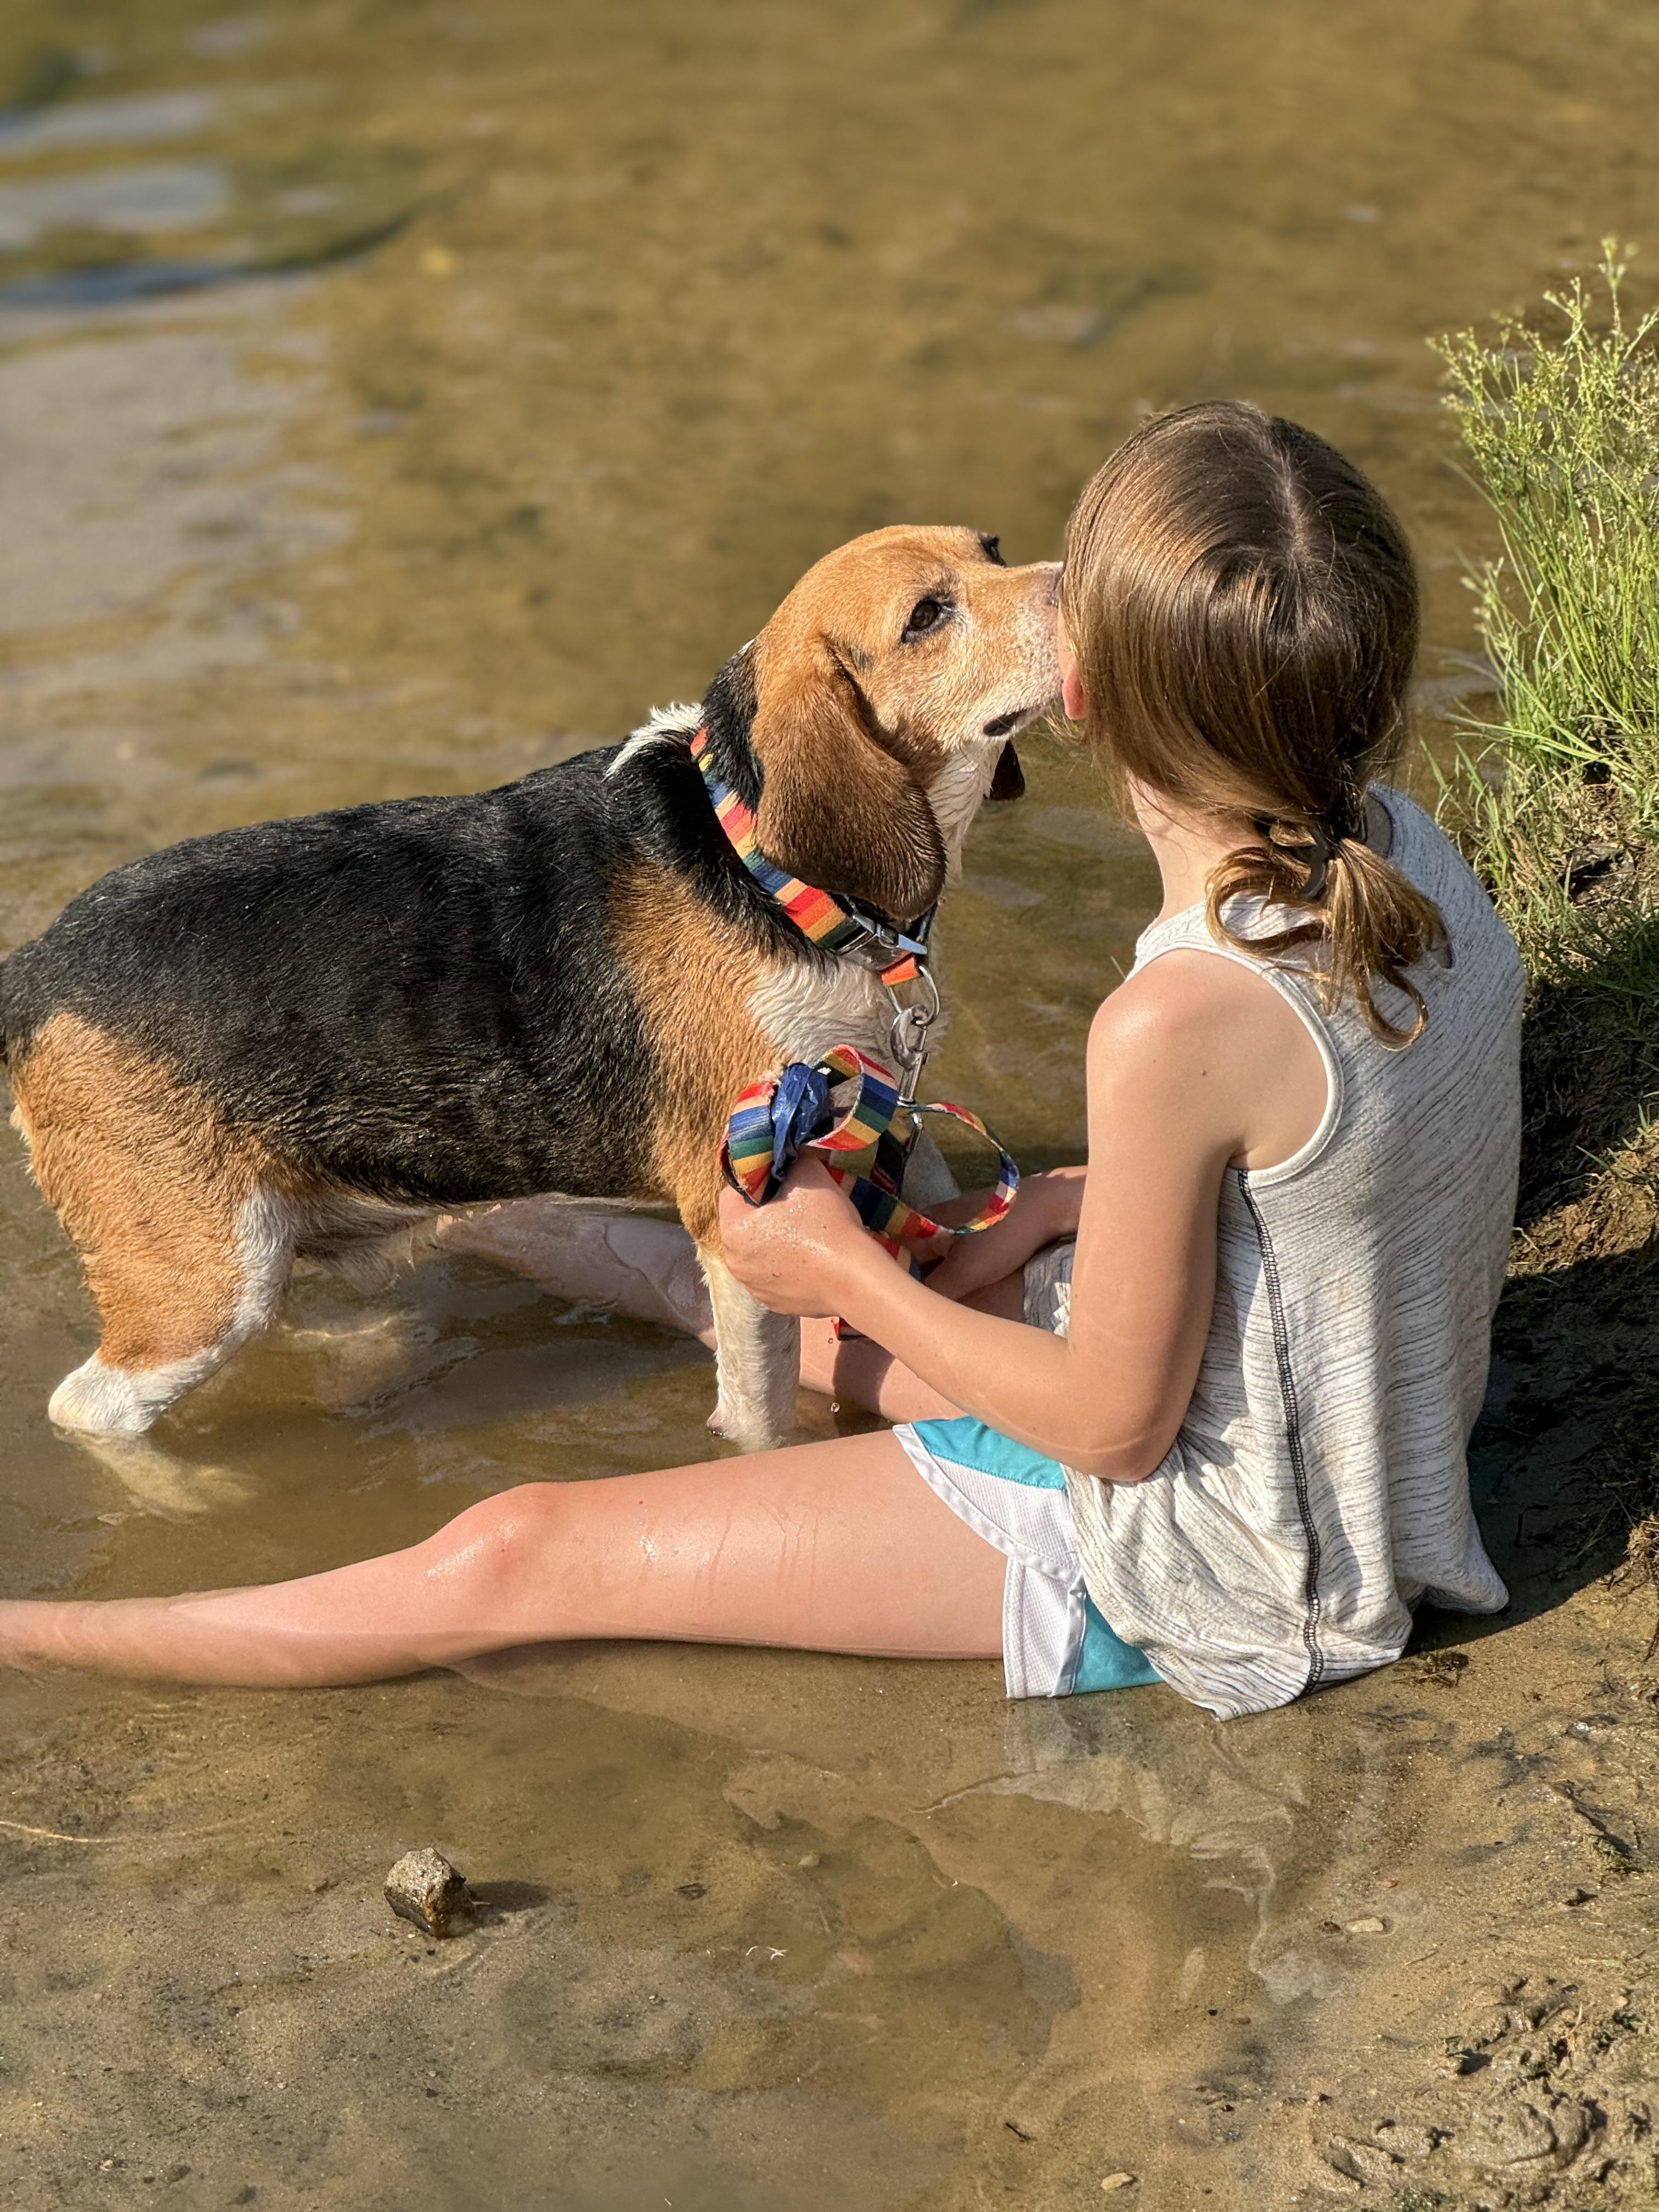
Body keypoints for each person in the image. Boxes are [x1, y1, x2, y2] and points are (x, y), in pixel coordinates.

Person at [0, 402, 1521, 1720]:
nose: (1042, 595)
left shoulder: (1172, 1021)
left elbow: (1116, 1431)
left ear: (1101, 695)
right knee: (702, 1273)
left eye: (1076, 585)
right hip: (1334, 1446)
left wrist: (850, 1274)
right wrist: (1063, 1203)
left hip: (1224, 1558)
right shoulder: (1406, 860)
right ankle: (518, 1268)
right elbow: (1309, 1194)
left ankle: (34, 1636)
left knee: (513, 1549)